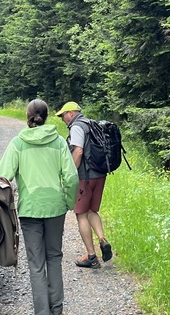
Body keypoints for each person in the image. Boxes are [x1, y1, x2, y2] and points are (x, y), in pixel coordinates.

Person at [0, 99, 79, 315]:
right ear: (47, 116)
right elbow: (71, 177)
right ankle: (57, 308)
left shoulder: (18, 143)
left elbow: (2, 178)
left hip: (29, 209)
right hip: (55, 208)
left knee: (35, 263)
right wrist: (68, 201)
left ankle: (42, 312)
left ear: (28, 116)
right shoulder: (60, 142)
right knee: (54, 257)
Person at [55, 101, 113, 268]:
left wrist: (71, 174)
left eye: (63, 115)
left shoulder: (77, 127)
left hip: (85, 177)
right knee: (92, 211)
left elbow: (78, 151)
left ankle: (91, 256)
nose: (62, 119)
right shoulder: (91, 123)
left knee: (81, 214)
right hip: (100, 175)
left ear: (71, 113)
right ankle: (102, 240)